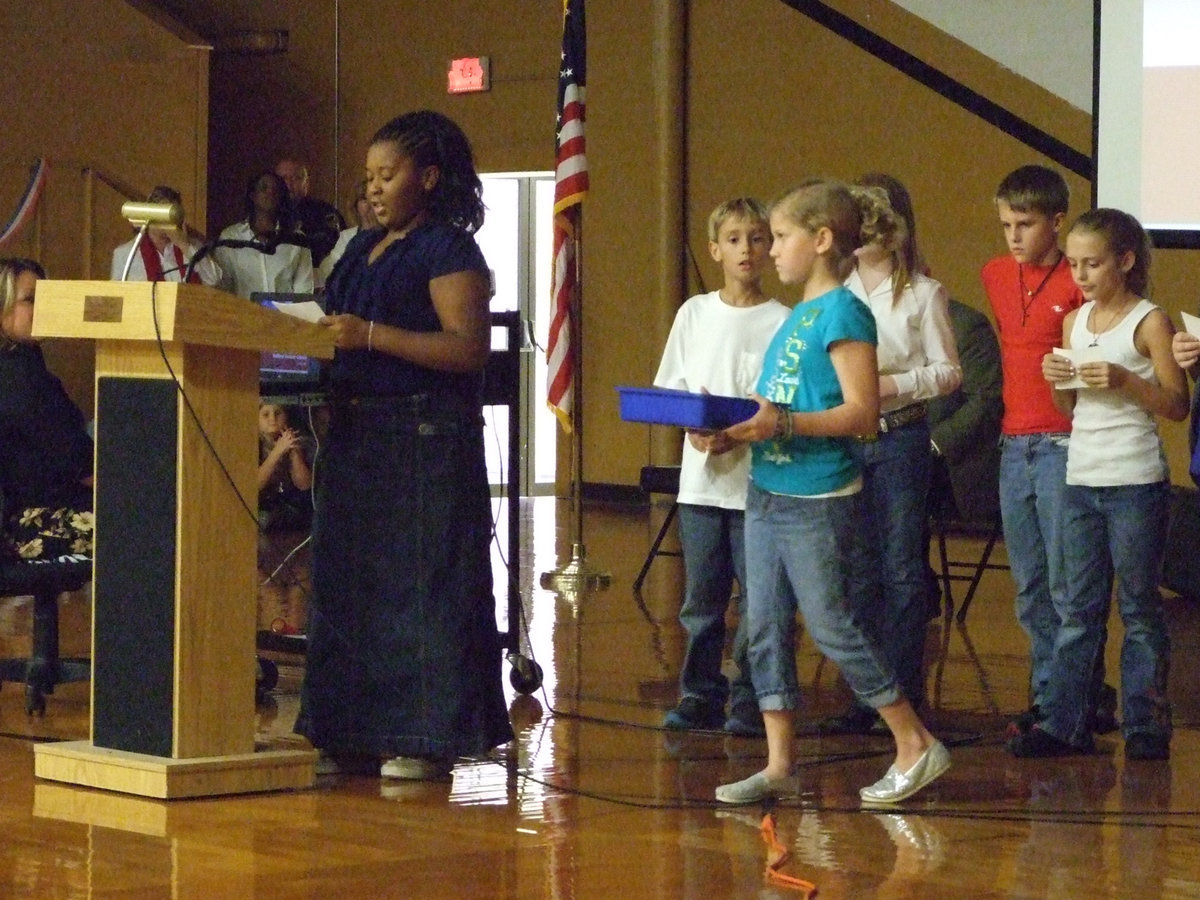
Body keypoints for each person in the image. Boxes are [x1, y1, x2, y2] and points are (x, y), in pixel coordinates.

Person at [714, 178, 949, 805]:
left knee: (832, 625)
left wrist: (782, 424)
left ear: (821, 240)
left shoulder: (845, 312)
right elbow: (781, 404)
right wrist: (734, 433)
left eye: (782, 236)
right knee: (763, 626)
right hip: (769, 487)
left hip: (816, 499)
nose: (772, 250)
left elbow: (863, 413)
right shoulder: (801, 318)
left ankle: (913, 740)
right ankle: (779, 762)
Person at [295, 110, 513, 780]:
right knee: (347, 587)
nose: (375, 188)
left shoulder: (448, 250)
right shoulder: (362, 247)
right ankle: (348, 732)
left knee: (419, 588)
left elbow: (468, 349)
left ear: (428, 176)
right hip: (355, 434)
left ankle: (423, 738)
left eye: (388, 175)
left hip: (423, 438)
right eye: (369, 177)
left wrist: (369, 337)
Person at [1016, 208, 1187, 760]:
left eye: (1092, 264)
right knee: (1078, 607)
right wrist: (1057, 380)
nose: (1082, 275)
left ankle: (1144, 724)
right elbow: (1069, 408)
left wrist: (1125, 380)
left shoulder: (1150, 321)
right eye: (1074, 265)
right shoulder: (1075, 322)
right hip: (1081, 475)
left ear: (1126, 261)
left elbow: (1176, 404)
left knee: (1138, 605)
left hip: (1135, 478)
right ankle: (1064, 722)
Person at [819, 173, 961, 734]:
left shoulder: (923, 292)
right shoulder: (837, 292)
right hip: (845, 438)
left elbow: (950, 371)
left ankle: (902, 693)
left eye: (872, 222)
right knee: (856, 570)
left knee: (902, 569)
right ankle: (864, 695)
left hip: (900, 437)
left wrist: (894, 385)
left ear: (895, 225)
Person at [981, 165, 1116, 737]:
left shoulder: (1075, 283)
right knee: (1030, 584)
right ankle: (1047, 699)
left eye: (1026, 223)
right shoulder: (994, 274)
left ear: (1057, 222)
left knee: (1069, 585)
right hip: (1014, 444)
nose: (1014, 236)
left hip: (1065, 441)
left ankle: (1076, 703)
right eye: (1007, 223)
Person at [653, 197, 789, 738]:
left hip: (758, 481)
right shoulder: (695, 313)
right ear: (715, 250)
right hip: (703, 484)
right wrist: (696, 425)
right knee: (702, 601)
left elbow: (782, 399)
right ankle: (699, 692)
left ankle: (752, 698)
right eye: (734, 240)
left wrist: (737, 434)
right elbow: (673, 386)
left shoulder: (782, 320)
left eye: (758, 239)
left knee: (758, 600)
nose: (747, 250)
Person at [0, 258, 94, 560]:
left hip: (32, 514)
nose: (42, 307)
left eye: (46, 298)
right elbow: (76, 461)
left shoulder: (25, 365)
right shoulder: (20, 375)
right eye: (30, 300)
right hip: (32, 523)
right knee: (146, 522)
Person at [215, 170, 315, 299]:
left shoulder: (296, 239)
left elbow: (304, 292)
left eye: (275, 190)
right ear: (253, 195)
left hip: (284, 317)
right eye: (264, 188)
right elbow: (223, 288)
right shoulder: (231, 236)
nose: (270, 193)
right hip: (243, 316)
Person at [110, 185, 222, 286]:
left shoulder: (192, 247)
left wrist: (184, 245)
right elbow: (118, 298)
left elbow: (214, 279)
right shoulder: (126, 254)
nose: (166, 221)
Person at [276, 157, 346, 268]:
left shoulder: (324, 212)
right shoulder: (267, 215)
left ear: (306, 182)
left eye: (296, 178)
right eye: (283, 178)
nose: (288, 184)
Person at [257, 402, 314, 533]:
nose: (272, 419)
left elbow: (304, 485)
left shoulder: (303, 442)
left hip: (292, 508)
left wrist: (294, 452)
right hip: (261, 509)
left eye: (277, 413)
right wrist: (277, 451)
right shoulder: (253, 444)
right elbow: (255, 485)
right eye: (266, 415)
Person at [316, 178, 379, 287]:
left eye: (375, 198)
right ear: (356, 205)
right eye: (364, 199)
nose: (370, 205)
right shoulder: (347, 237)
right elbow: (330, 270)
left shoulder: (393, 237)